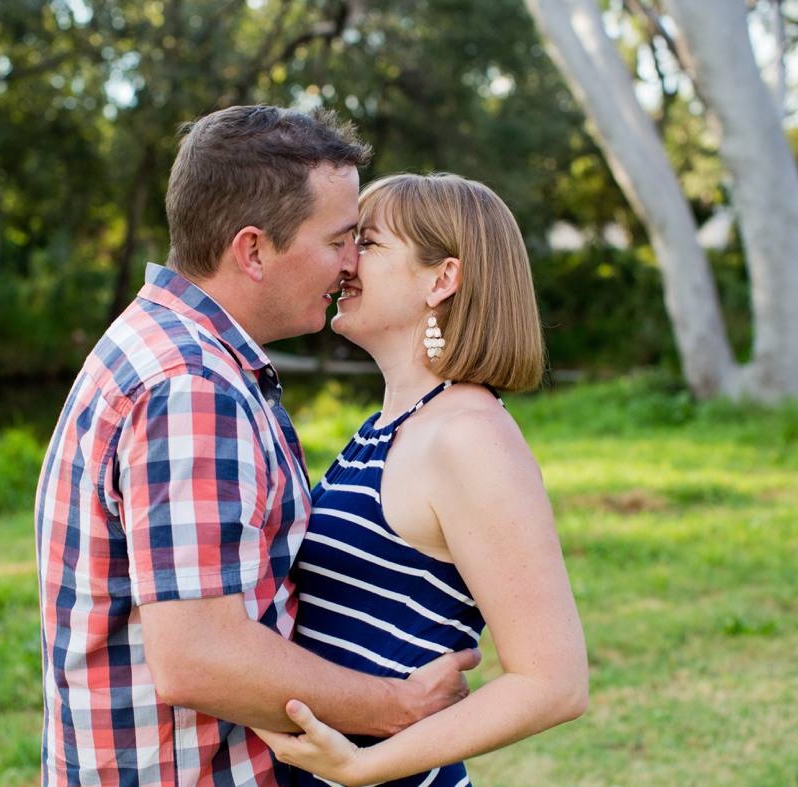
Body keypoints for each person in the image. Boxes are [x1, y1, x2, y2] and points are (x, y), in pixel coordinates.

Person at [34, 108, 480, 787]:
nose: (353, 262)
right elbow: (198, 654)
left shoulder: (161, 343)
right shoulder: (191, 386)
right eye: (339, 239)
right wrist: (399, 706)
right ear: (252, 250)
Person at [254, 173, 590, 786]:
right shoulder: (387, 427)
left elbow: (554, 682)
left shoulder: (469, 435)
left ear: (442, 279)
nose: (345, 262)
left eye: (370, 243)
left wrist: (364, 767)